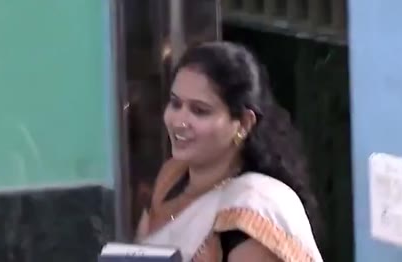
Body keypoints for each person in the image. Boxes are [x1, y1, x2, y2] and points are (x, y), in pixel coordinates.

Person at [135, 41, 324, 262]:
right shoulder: (171, 177)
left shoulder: (254, 209)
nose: (179, 122)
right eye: (176, 104)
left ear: (244, 123)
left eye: (199, 111)